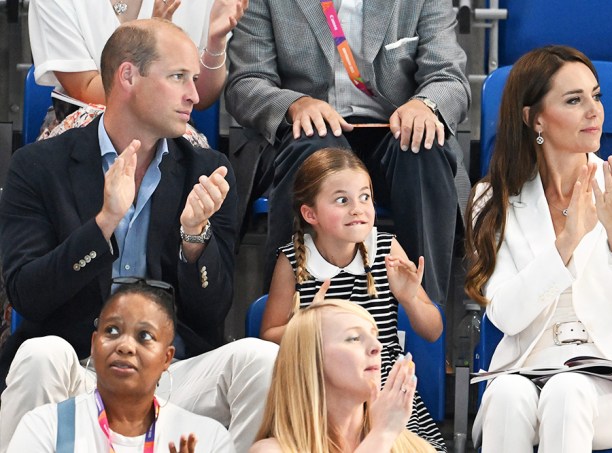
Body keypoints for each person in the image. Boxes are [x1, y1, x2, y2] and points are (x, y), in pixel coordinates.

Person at [0, 19, 277, 453]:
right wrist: (104, 223)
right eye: (178, 77)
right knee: (39, 356)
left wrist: (194, 237)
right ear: (128, 76)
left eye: (194, 79)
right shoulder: (37, 167)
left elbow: (212, 311)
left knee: (261, 360)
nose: (193, 94)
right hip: (77, 364)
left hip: (172, 373)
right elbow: (28, 295)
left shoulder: (206, 169)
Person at [465, 45, 612, 451]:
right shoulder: (491, 200)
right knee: (507, 395)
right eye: (574, 100)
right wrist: (566, 243)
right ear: (534, 118)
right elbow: (505, 317)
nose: (593, 110)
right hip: (526, 374)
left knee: (567, 390)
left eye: (596, 96)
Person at [224, 0, 471, 303]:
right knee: (313, 150)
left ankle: (427, 318)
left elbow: (449, 78)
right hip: (309, 132)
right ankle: (290, 321)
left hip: (391, 131)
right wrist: (293, 104)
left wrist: (425, 105)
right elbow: (246, 83)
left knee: (423, 150)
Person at [262, 148, 445, 451]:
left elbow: (433, 330)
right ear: (310, 214)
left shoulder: (385, 247)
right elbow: (268, 336)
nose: (358, 209)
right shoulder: (294, 260)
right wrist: (310, 323)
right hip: (323, 397)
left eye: (364, 197)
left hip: (382, 390)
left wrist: (410, 298)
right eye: (342, 200)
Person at [7, 280, 236, 452]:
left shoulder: (207, 439)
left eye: (144, 335)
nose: (125, 346)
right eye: (112, 331)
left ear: (167, 358)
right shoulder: (45, 426)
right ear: (94, 344)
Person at [28, 0, 246, 141]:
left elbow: (200, 97)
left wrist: (216, 42)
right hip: (83, 121)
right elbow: (84, 88)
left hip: (168, 124)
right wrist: (151, 43)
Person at [251, 299, 435, 453]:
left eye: (374, 335)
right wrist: (382, 434)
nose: (377, 346)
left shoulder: (417, 448)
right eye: (354, 338)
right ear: (309, 359)